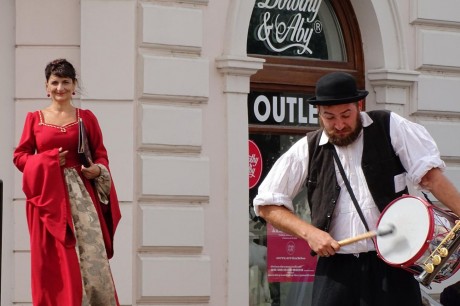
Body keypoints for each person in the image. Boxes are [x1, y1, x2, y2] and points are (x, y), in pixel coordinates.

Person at [253, 71, 460, 306]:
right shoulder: (308, 148)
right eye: (329, 117)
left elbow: (431, 178)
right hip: (336, 269)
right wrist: (310, 234)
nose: (339, 124)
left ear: (359, 105)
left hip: (393, 265)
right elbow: (267, 205)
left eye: (346, 114)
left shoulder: (389, 127)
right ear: (318, 113)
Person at [13, 59, 122, 306]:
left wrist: (97, 169)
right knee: (55, 259)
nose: (60, 87)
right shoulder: (35, 119)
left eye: (65, 82)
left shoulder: (86, 118)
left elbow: (101, 153)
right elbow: (20, 158)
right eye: (55, 82)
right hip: (48, 199)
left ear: (74, 85)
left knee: (90, 255)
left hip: (83, 197)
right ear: (46, 86)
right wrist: (49, 160)